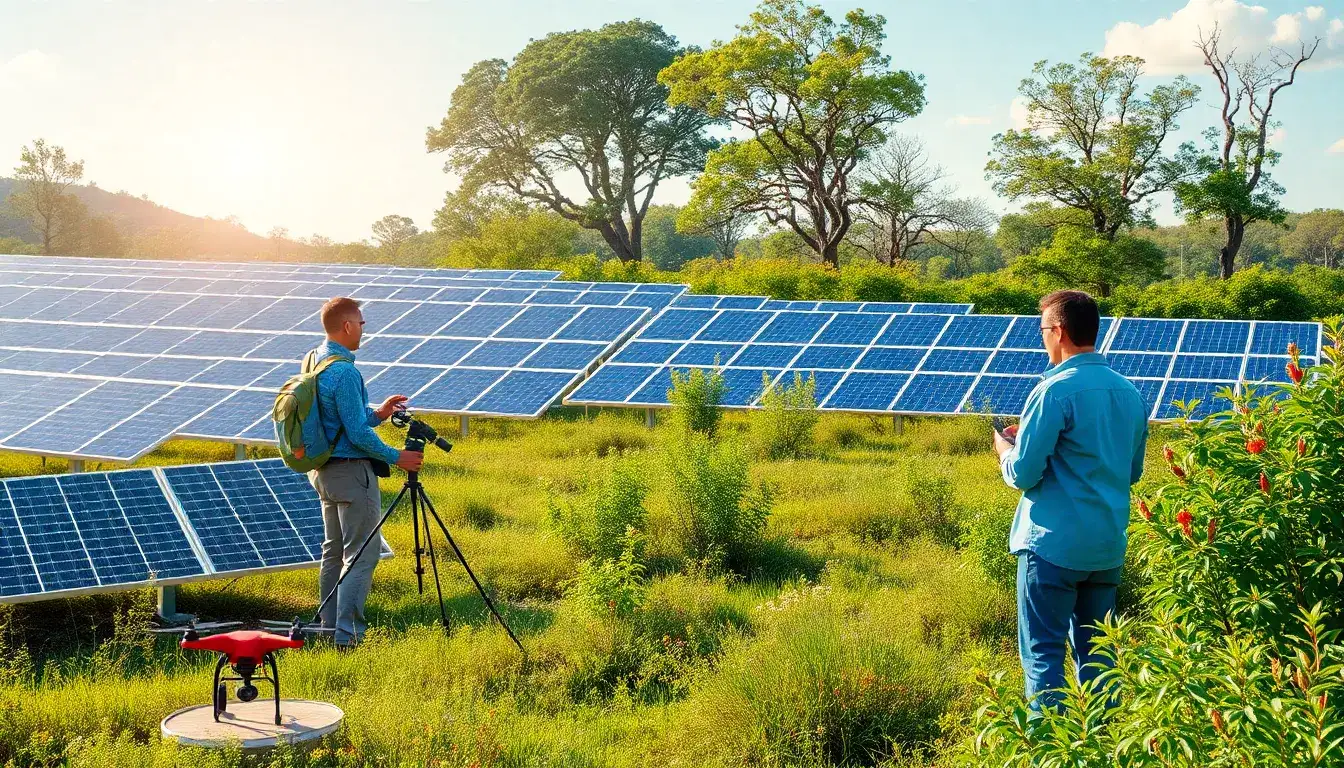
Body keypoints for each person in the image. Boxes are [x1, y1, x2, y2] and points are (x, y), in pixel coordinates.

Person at [993, 290, 1148, 711]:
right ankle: (1103, 745)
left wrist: (1006, 450)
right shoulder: (1130, 393)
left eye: (1043, 330)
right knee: (1099, 655)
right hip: (1106, 547)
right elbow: (1131, 473)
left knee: (1043, 653)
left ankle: (1051, 749)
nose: (1042, 338)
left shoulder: (1053, 391)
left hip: (1052, 546)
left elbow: (1024, 473)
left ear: (1059, 331)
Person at [309, 297, 423, 648]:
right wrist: (396, 457)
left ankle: (327, 629)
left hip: (324, 471)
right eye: (361, 323)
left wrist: (379, 412)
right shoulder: (345, 372)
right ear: (346, 326)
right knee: (361, 554)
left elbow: (344, 422)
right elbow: (356, 435)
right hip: (351, 474)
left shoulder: (317, 360)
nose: (363, 329)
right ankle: (347, 639)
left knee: (334, 551)